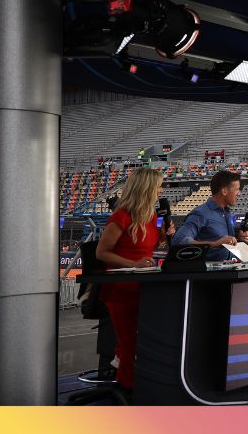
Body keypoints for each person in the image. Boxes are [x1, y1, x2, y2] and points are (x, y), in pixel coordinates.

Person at [94, 167, 166, 391]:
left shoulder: (151, 216)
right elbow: (101, 253)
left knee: (139, 344)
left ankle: (128, 383)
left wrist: (164, 237)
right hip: (121, 291)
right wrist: (133, 265)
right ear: (146, 188)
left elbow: (147, 250)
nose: (160, 191)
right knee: (130, 347)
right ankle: (127, 395)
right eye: (158, 186)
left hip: (144, 288)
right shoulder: (121, 216)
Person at [172, 170, 248, 261]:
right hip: (210, 274)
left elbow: (223, 241)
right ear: (224, 191)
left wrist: (238, 238)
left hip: (230, 271)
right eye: (237, 189)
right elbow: (179, 240)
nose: (239, 193)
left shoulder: (225, 212)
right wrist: (215, 244)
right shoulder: (201, 213)